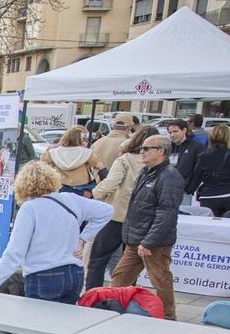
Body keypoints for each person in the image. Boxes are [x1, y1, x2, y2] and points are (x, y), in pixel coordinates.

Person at [0, 160, 112, 305]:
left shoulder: (29, 209)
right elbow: (107, 211)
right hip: (74, 273)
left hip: (43, 275)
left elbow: (15, 252)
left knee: (36, 317)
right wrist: (83, 239)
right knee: (66, 317)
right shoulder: (70, 199)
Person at [110, 133, 184, 320]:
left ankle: (168, 316)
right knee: (120, 276)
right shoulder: (145, 172)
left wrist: (149, 241)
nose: (141, 151)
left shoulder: (169, 177)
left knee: (160, 278)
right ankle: (112, 307)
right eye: (142, 148)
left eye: (146, 148)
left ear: (161, 152)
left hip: (154, 242)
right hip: (136, 237)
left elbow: (167, 213)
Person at [88, 126, 158, 290]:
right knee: (129, 264)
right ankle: (125, 296)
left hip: (117, 215)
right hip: (140, 218)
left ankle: (93, 294)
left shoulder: (125, 159)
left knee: (98, 260)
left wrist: (94, 193)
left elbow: (111, 183)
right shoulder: (156, 165)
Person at [41, 125, 100, 196]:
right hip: (83, 186)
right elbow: (94, 163)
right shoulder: (87, 153)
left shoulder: (53, 152)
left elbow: (43, 161)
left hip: (62, 185)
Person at [194, 123, 230, 217]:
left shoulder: (203, 156)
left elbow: (196, 178)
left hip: (208, 196)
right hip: (227, 195)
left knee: (210, 223)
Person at [166, 118, 205, 205]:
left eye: (175, 131)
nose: (172, 135)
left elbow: (199, 170)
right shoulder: (168, 147)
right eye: (170, 132)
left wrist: (190, 188)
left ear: (184, 130)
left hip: (184, 192)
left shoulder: (196, 147)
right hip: (166, 190)